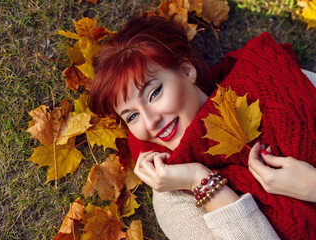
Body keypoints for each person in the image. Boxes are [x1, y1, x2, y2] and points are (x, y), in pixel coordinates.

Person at [89, 15, 316, 240]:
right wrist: (199, 181)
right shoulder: (172, 194)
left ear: (187, 71)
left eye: (154, 93)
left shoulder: (273, 81)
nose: (150, 122)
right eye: (133, 116)